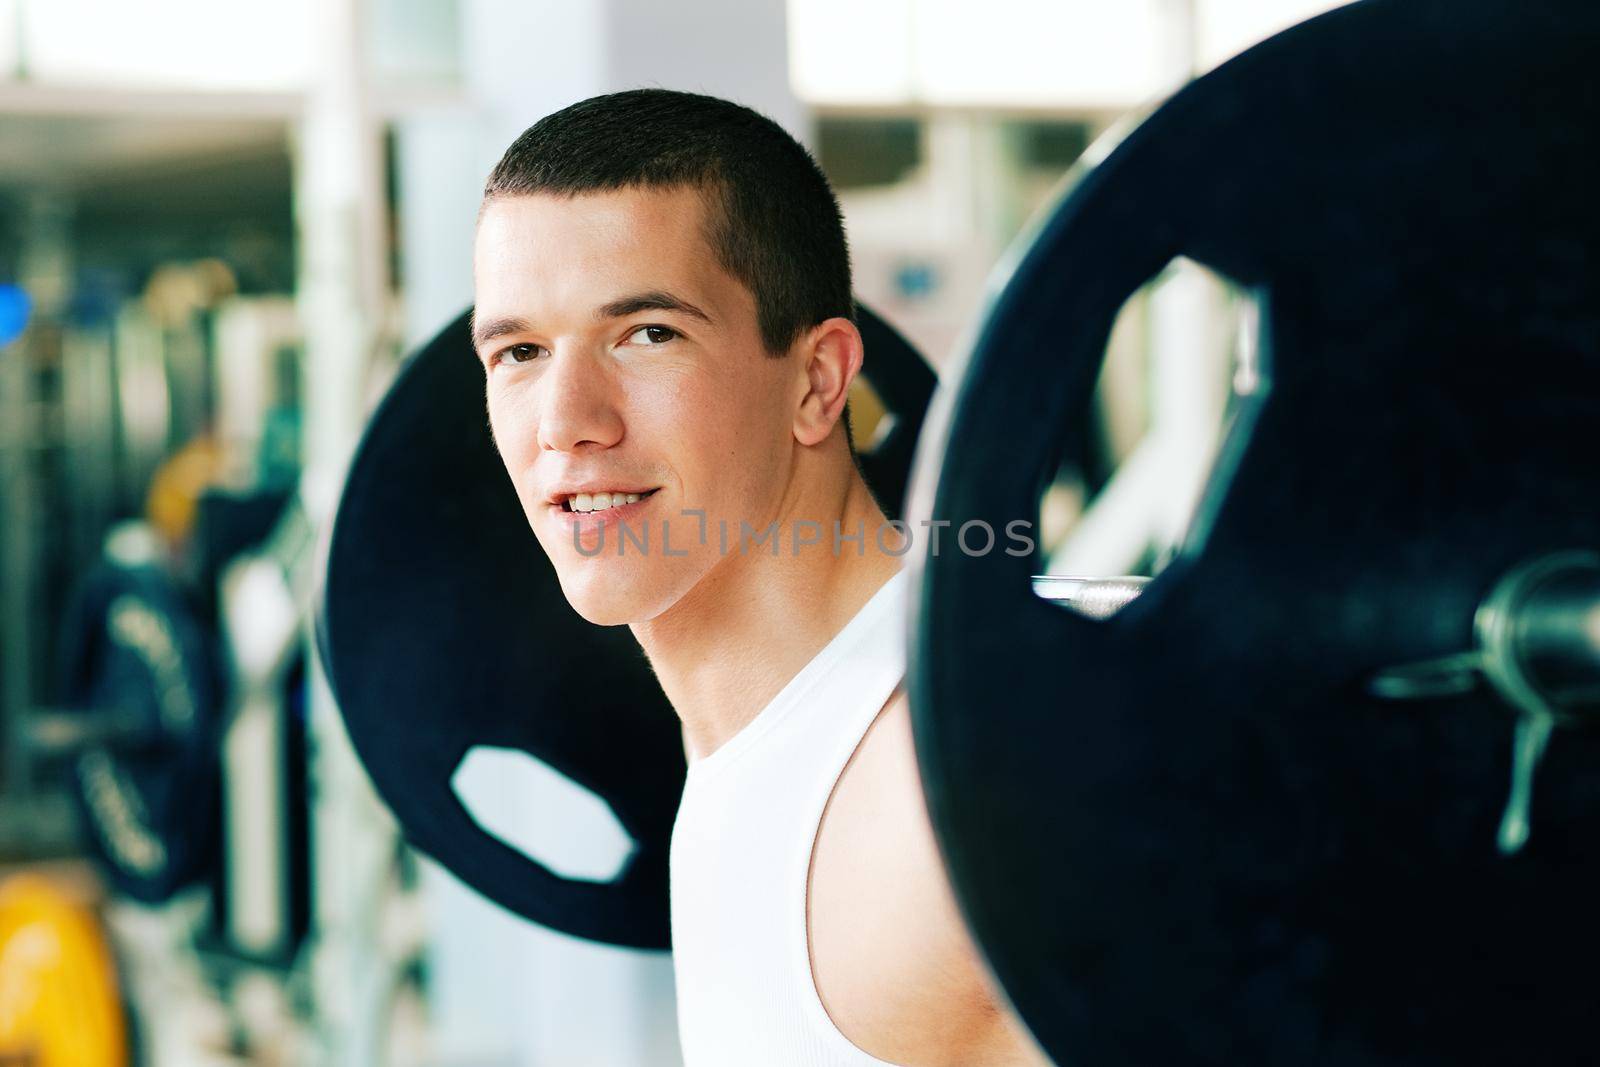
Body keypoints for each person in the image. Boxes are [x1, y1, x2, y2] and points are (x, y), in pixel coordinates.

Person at [471, 88, 1047, 1067]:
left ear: (818, 381)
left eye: (646, 332)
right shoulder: (758, 749)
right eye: (520, 351)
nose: (565, 419)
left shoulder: (969, 774)